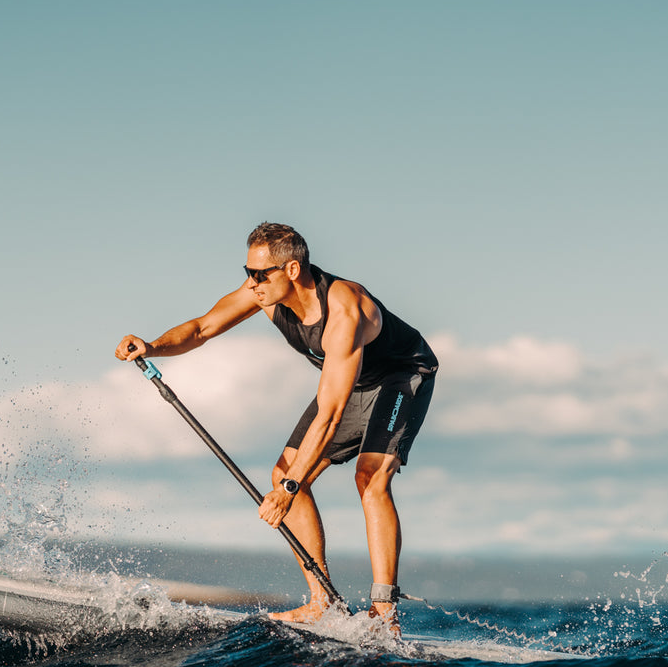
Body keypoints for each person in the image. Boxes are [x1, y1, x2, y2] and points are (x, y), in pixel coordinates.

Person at [115, 222, 437, 628]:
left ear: (291, 271)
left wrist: (288, 491)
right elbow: (202, 328)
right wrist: (152, 346)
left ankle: (385, 612)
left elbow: (331, 414)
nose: (251, 282)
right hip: (349, 384)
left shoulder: (345, 309)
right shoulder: (263, 296)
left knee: (370, 477)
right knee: (286, 471)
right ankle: (323, 601)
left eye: (259, 274)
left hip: (400, 375)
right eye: (248, 271)